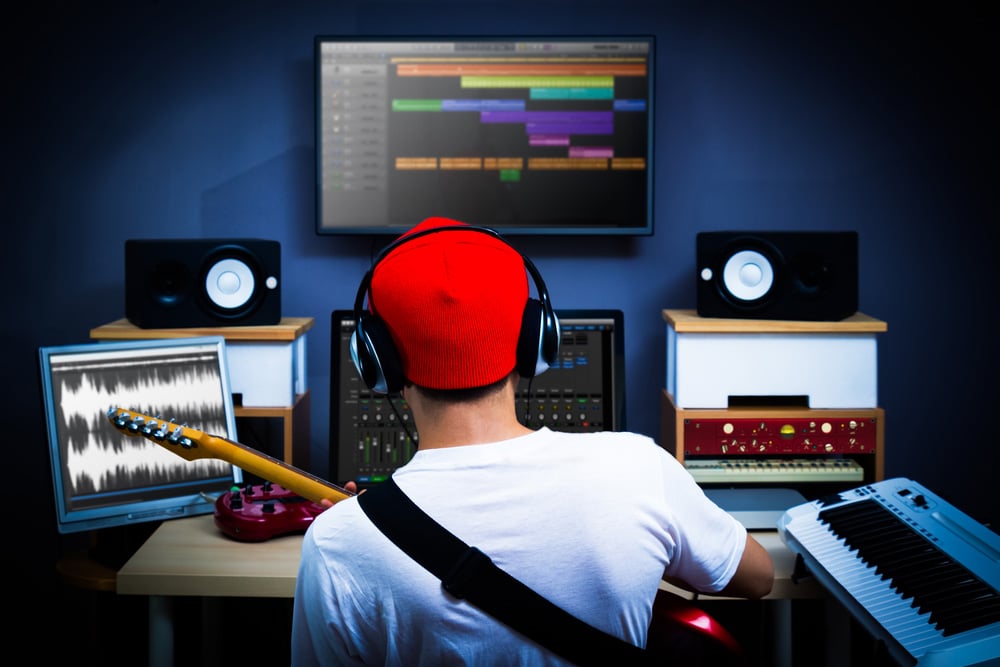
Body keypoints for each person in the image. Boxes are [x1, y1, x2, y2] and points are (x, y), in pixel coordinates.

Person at [291, 217, 774, 666]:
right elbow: (758, 578)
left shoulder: (338, 543)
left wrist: (363, 529)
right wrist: (643, 547)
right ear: (535, 340)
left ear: (378, 360)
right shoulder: (639, 469)